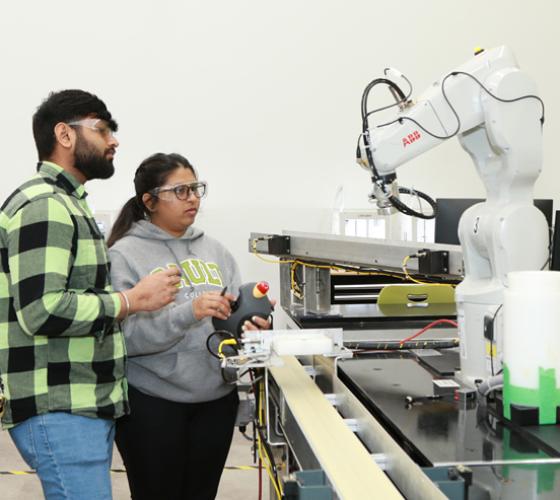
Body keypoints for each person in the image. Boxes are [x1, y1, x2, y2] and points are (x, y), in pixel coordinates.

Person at [0, 90, 182, 500]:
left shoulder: (68, 203)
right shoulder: (45, 205)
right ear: (64, 135)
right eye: (102, 129)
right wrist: (132, 300)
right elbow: (42, 309)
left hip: (80, 404)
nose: (113, 140)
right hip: (60, 406)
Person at [107, 152, 272, 500]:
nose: (193, 198)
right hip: (152, 404)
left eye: (196, 188)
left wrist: (251, 324)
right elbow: (125, 338)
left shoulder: (215, 251)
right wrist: (188, 312)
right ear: (149, 201)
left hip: (215, 401)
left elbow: (227, 325)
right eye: (181, 191)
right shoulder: (124, 255)